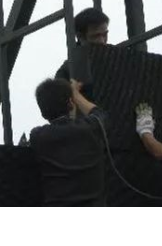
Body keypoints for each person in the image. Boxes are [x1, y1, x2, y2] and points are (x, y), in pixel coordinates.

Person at [55, 7, 162, 103]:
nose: (102, 41)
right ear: (80, 37)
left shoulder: (118, 58)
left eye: (105, 34)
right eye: (95, 36)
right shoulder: (68, 70)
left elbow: (149, 75)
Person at [29, 78, 107, 206]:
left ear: (43, 113)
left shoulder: (37, 136)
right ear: (71, 103)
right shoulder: (90, 128)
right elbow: (99, 114)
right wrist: (75, 93)